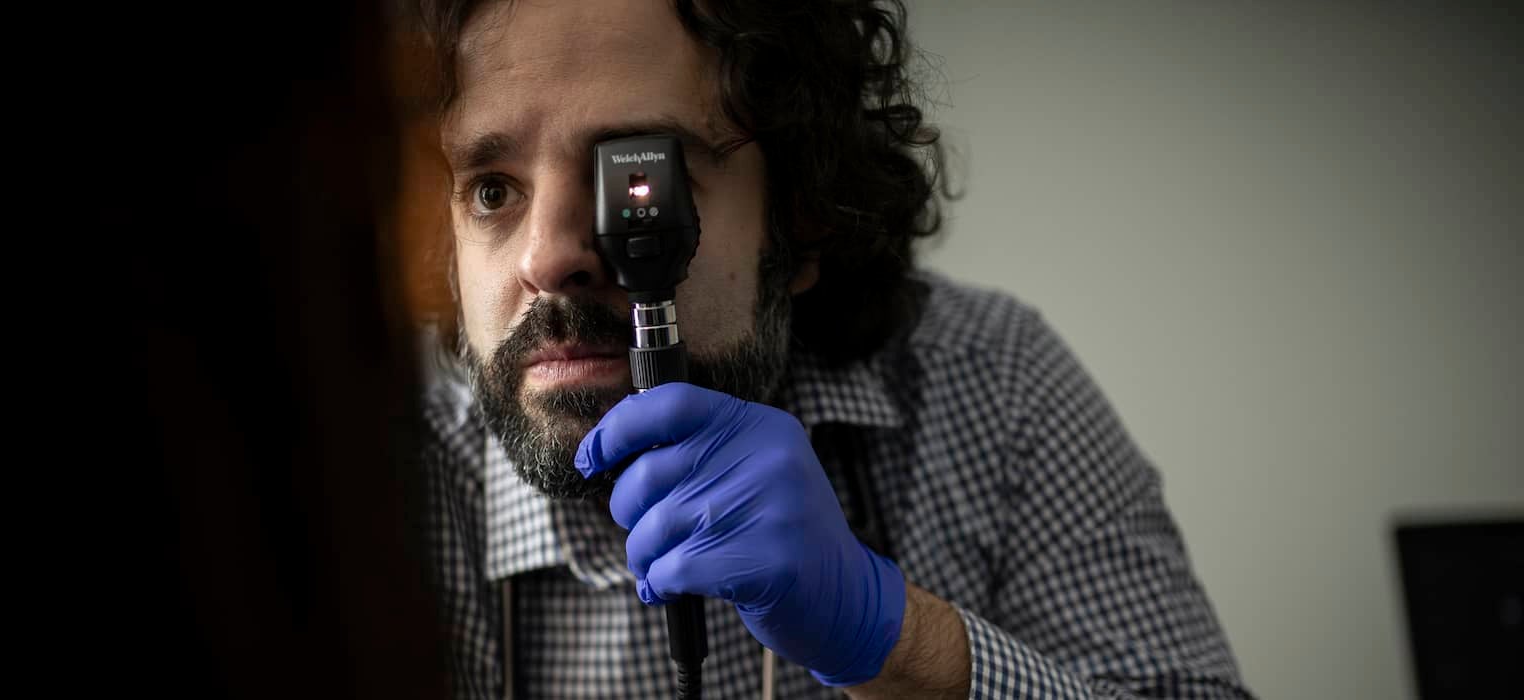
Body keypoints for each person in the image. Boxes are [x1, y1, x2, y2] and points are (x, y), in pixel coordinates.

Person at [406, 0, 1255, 697]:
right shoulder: (372, 472)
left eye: (637, 177)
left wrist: (892, 638)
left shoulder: (990, 377)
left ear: (800, 216)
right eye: (492, 190)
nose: (547, 256)